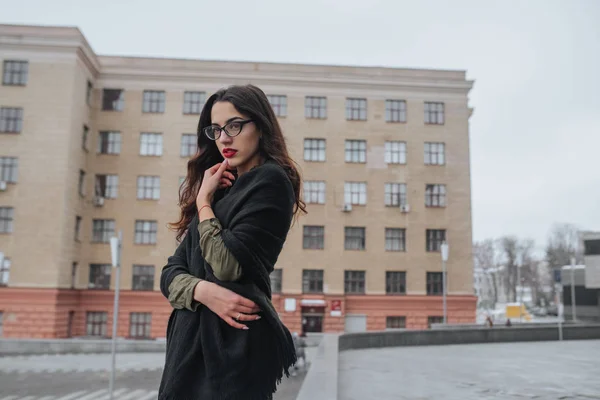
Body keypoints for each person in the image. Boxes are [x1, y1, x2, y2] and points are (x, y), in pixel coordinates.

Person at [159, 84, 307, 400]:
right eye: (216, 129)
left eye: (235, 125)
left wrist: (203, 203)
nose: (224, 137)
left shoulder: (271, 181)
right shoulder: (220, 190)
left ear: (261, 125)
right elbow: (170, 272)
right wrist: (203, 291)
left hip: (232, 350)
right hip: (192, 349)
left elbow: (226, 266)